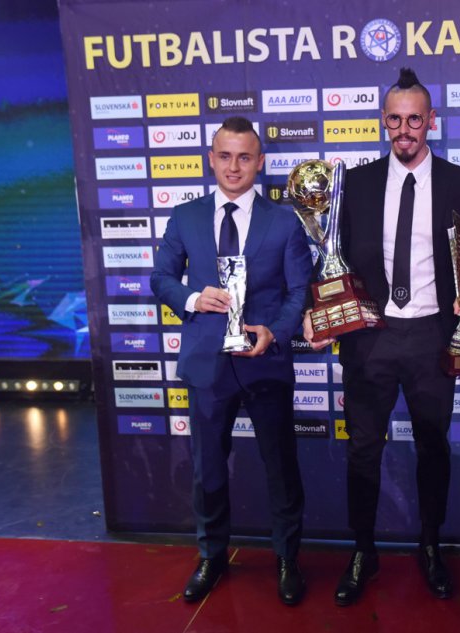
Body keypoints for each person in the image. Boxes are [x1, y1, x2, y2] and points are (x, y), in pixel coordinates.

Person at [303, 68, 460, 605]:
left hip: (432, 336)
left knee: (433, 447)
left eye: (415, 120)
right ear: (383, 121)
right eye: (395, 120)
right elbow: (331, 257)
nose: (405, 130)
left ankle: (430, 546)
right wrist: (318, 312)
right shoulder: (354, 184)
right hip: (370, 337)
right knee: (362, 450)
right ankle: (364, 550)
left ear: (431, 121)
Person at [150, 116, 313, 606]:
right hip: (207, 363)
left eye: (244, 157)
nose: (234, 166)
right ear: (211, 159)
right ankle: (212, 556)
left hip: (264, 361)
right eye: (225, 156)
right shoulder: (185, 217)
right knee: (208, 470)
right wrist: (193, 297)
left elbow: (299, 291)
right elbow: (161, 278)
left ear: (259, 162)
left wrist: (275, 331)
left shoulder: (284, 221)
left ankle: (287, 558)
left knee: (281, 467)